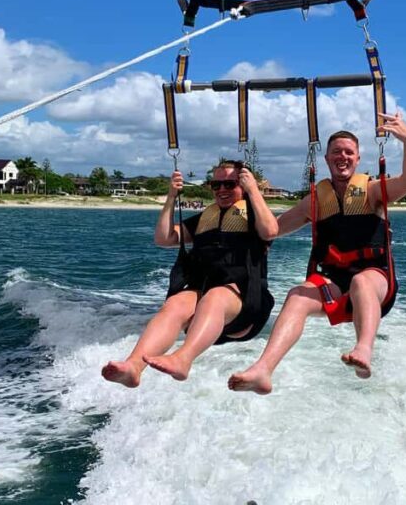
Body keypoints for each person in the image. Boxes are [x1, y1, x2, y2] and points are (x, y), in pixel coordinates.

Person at [229, 111, 406, 394]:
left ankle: (364, 349)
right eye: (336, 152)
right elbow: (272, 230)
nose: (343, 157)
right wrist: (253, 191)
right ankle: (263, 370)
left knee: (361, 282)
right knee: (297, 295)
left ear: (357, 159)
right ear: (327, 158)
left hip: (376, 281)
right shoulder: (315, 202)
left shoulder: (372, 191)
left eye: (349, 152)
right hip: (334, 283)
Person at [102, 161, 278, 387]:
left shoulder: (255, 216)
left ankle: (183, 359)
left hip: (246, 308)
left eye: (230, 184)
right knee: (175, 304)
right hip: (203, 308)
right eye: (216, 185)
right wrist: (171, 197)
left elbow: (270, 231)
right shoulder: (206, 218)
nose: (222, 189)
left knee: (215, 297)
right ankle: (134, 367)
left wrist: (253, 190)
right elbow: (164, 238)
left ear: (243, 185)